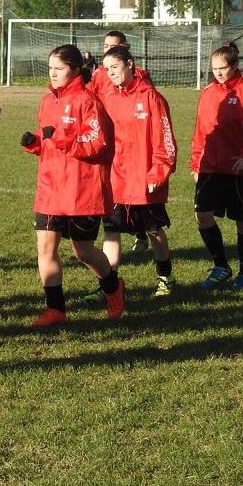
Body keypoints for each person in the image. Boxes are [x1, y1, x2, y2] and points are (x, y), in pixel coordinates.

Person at [22, 44, 124, 327]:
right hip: (50, 187)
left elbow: (99, 144)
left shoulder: (88, 101)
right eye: (51, 68)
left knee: (83, 251)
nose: (53, 74)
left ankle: (113, 286)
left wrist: (64, 141)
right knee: (46, 249)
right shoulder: (47, 101)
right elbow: (49, 141)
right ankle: (55, 308)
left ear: (76, 70)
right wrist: (35, 144)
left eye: (59, 69)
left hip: (81, 189)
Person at [191, 44, 243, 292]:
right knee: (202, 216)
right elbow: (201, 132)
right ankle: (220, 266)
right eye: (214, 68)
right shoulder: (207, 92)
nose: (218, 73)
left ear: (234, 66)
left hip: (241, 171)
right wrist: (196, 162)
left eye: (223, 68)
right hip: (210, 167)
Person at [95, 46, 178, 298]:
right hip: (115, 178)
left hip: (144, 178)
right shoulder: (106, 97)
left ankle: (166, 277)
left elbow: (166, 140)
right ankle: (109, 286)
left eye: (115, 67)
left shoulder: (151, 97)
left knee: (153, 229)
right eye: (107, 69)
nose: (111, 74)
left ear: (130, 64)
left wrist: (158, 172)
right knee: (111, 230)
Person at [86, 29, 152, 254]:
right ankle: (109, 278)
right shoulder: (99, 75)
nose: (108, 50)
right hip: (109, 140)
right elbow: (89, 98)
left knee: (137, 204)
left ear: (125, 49)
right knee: (112, 208)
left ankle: (142, 234)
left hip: (131, 144)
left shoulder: (140, 77)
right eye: (105, 46)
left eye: (113, 46)